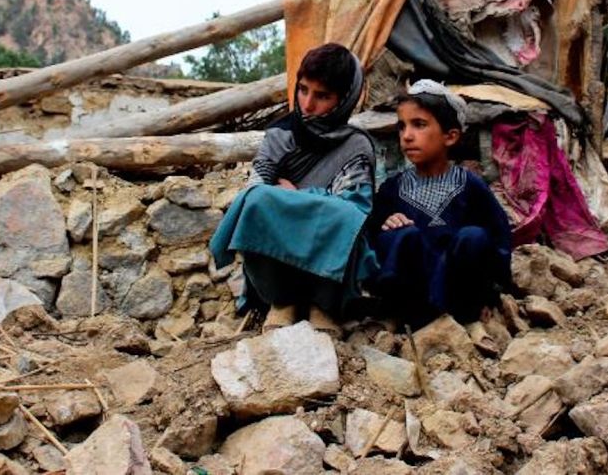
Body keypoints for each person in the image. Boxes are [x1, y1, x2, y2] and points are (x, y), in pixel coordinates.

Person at [209, 43, 376, 335]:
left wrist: (296, 196)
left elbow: (355, 210)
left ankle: (322, 306)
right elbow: (257, 190)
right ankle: (281, 302)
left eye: (322, 96)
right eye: (303, 90)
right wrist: (305, 201)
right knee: (258, 201)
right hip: (279, 265)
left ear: (346, 98)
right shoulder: (280, 135)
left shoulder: (356, 146)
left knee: (343, 217)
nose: (307, 104)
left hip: (328, 272)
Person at [367, 80, 513, 329]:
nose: (407, 136)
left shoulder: (469, 184)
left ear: (450, 136)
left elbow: (498, 239)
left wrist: (491, 291)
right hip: (412, 294)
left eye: (419, 125)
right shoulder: (393, 188)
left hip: (457, 291)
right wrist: (387, 226)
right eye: (402, 127)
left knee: (474, 237)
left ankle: (468, 312)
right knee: (402, 235)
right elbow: (370, 238)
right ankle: (405, 315)